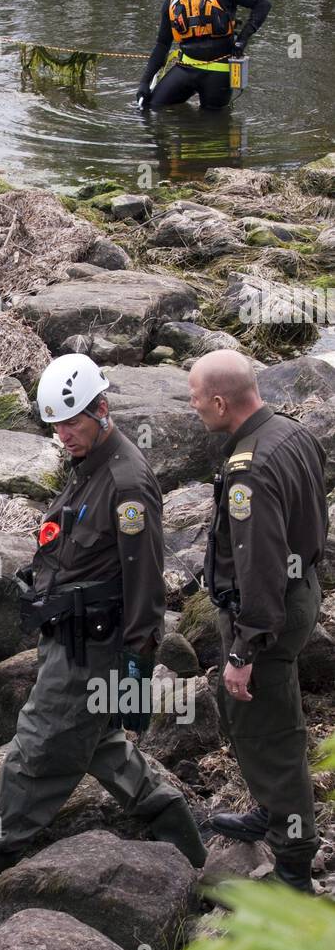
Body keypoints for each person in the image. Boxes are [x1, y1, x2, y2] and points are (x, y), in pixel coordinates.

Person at [0, 354, 207, 917]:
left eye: (72, 422)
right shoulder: (89, 465)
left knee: (36, 753)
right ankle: (186, 847)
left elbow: (146, 581)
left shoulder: (126, 482)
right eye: (55, 426)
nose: (63, 435)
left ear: (101, 408)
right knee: (102, 746)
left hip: (93, 650)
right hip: (66, 635)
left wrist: (140, 668)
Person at [189, 349, 327, 892]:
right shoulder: (292, 433)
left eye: (197, 399)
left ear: (221, 402)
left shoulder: (249, 471)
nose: (195, 407)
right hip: (301, 591)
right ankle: (270, 811)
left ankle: (294, 862)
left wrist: (244, 651)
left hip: (266, 612)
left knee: (273, 732)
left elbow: (260, 569)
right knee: (257, 722)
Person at [136, 0, 270, 110]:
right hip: (186, 67)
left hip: (219, 70)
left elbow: (262, 4)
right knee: (152, 108)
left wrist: (242, 39)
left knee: (213, 123)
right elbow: (162, 44)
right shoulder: (171, 0)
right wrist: (144, 82)